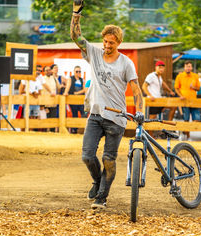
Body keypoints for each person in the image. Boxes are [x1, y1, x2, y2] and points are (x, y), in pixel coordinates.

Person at [71, 0, 144, 209]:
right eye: (105, 41)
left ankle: (102, 197)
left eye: (111, 42)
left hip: (116, 119)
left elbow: (136, 89)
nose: (106, 45)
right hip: (95, 115)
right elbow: (76, 37)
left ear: (118, 42)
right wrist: (76, 12)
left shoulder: (126, 63)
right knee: (87, 156)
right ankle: (96, 181)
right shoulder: (93, 54)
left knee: (109, 159)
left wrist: (139, 111)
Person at [142, 60, 175, 131]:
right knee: (151, 119)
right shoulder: (151, 76)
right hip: (153, 101)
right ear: (155, 67)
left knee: (173, 106)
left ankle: (169, 126)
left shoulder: (159, 77)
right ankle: (150, 136)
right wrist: (150, 95)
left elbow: (163, 84)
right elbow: (144, 86)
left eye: (162, 68)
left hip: (159, 100)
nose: (161, 69)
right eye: (159, 67)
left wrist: (170, 91)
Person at [174, 61, 201, 140]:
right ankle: (188, 136)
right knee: (186, 119)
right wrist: (180, 95)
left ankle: (183, 131)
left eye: (189, 66)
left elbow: (198, 88)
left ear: (191, 67)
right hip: (184, 101)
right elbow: (176, 87)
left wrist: (193, 87)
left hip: (193, 100)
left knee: (197, 119)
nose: (188, 68)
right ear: (184, 67)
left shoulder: (195, 76)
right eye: (186, 66)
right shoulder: (180, 76)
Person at [64, 65, 86, 133]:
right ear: (74, 72)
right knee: (74, 114)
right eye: (77, 71)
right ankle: (75, 130)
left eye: (79, 71)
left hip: (80, 100)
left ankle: (83, 128)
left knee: (83, 113)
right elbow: (68, 86)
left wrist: (77, 93)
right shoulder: (71, 78)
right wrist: (65, 92)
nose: (78, 73)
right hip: (73, 99)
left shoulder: (82, 79)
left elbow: (85, 89)